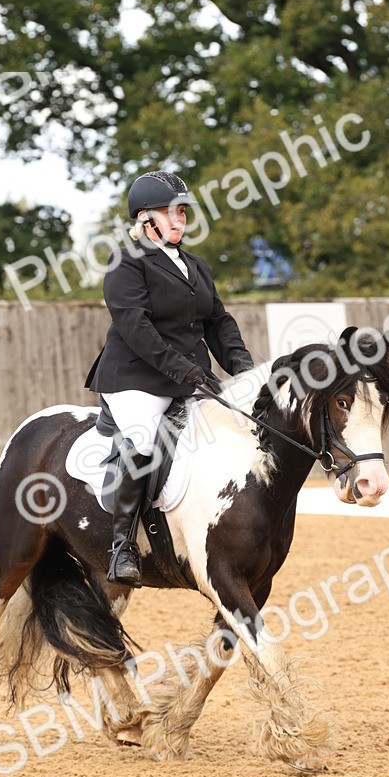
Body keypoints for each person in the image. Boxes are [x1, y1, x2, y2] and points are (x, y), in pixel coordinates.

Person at [84, 170, 255, 586]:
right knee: (142, 440)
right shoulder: (126, 262)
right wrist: (187, 371)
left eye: (182, 212)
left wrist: (245, 369)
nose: (180, 219)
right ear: (145, 220)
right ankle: (122, 547)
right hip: (136, 379)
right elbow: (136, 328)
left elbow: (218, 321)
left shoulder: (196, 265)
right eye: (171, 212)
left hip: (188, 377)